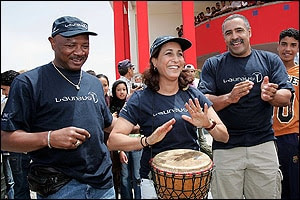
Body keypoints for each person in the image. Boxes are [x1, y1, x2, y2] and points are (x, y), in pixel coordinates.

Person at [1, 16, 116, 199]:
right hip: (61, 188)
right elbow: (5, 139)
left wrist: (142, 125)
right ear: (52, 42)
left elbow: (108, 124)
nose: (79, 52)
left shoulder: (94, 83)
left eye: (85, 46)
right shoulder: (29, 82)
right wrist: (50, 138)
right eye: (70, 45)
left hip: (103, 187)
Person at [107, 35, 229, 199]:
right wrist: (147, 140)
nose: (176, 59)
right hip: (154, 182)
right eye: (169, 53)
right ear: (155, 62)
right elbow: (113, 140)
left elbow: (224, 136)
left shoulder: (193, 94)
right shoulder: (140, 98)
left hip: (193, 180)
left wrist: (208, 124)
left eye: (179, 54)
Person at [198, 14, 294, 199]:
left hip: (263, 145)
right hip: (225, 148)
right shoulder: (213, 64)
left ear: (249, 32)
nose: (234, 36)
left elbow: (286, 97)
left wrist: (271, 95)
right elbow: (204, 101)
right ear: (224, 37)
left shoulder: (270, 60)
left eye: (239, 30)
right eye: (229, 33)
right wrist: (229, 97)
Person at [273, 28, 299, 199]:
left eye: (293, 45)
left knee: (292, 186)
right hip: (267, 137)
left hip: (291, 135)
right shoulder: (269, 71)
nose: (287, 49)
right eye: (284, 44)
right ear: (278, 46)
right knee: (273, 186)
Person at [109, 80, 142, 199]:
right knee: (125, 175)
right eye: (118, 90)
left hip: (137, 143)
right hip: (122, 145)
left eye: (124, 89)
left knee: (137, 175)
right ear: (114, 91)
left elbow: (140, 125)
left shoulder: (133, 104)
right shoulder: (112, 108)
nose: (122, 92)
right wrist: (120, 150)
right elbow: (115, 130)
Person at [181, 64, 213, 160]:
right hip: (187, 115)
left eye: (192, 71)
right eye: (187, 71)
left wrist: (208, 123)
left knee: (201, 140)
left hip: (199, 116)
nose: (190, 73)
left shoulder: (197, 84)